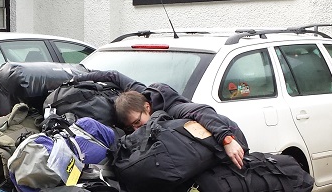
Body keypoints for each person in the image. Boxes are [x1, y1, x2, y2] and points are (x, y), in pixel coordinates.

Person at [75, 70, 248, 169]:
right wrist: (75, 79)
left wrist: (227, 140)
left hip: (231, 136)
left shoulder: (172, 108)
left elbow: (202, 111)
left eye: (137, 122)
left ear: (147, 107)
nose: (136, 129)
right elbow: (113, 76)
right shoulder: (138, 95)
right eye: (131, 127)